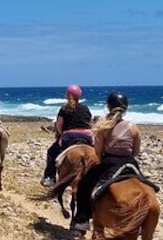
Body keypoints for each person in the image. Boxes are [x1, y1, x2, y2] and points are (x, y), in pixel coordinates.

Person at [72, 92, 141, 232]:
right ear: (126, 108)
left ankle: (82, 220)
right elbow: (135, 152)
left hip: (109, 162)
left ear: (108, 107)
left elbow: (97, 152)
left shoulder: (104, 127)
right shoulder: (133, 127)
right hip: (130, 162)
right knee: (144, 182)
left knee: (85, 184)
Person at [40, 85, 94, 187]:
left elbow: (59, 125)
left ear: (67, 96)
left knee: (51, 152)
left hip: (69, 136)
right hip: (87, 136)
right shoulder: (86, 108)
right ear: (79, 96)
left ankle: (50, 177)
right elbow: (90, 123)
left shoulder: (64, 109)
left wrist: (60, 135)